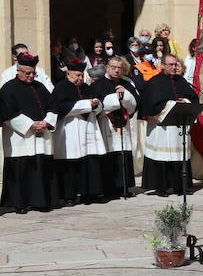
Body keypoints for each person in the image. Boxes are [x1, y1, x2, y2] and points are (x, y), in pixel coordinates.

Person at [0, 54, 57, 212]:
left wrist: (46, 122)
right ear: (18, 71)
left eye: (33, 73)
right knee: (21, 170)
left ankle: (42, 201)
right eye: (27, 73)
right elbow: (6, 112)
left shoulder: (40, 87)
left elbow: (53, 106)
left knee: (40, 166)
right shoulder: (8, 88)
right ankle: (19, 204)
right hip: (19, 137)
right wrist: (30, 125)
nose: (31, 76)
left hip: (42, 134)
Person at [50, 60, 108, 205]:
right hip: (69, 129)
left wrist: (96, 105)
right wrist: (87, 105)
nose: (80, 79)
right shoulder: (61, 88)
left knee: (89, 160)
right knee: (71, 162)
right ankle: (69, 195)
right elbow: (61, 107)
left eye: (82, 76)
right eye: (77, 76)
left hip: (88, 128)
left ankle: (90, 193)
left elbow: (99, 105)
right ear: (68, 74)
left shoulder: (87, 87)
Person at [141, 53, 197, 196]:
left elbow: (192, 97)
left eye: (175, 64)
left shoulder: (182, 81)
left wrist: (184, 102)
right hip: (162, 128)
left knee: (180, 156)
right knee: (162, 156)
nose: (174, 67)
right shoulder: (154, 82)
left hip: (178, 127)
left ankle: (181, 187)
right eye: (170, 65)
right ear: (163, 66)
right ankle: (161, 187)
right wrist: (171, 104)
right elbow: (151, 104)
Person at [90, 55, 139, 197]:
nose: (117, 70)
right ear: (107, 68)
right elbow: (95, 106)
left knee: (123, 153)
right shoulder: (97, 84)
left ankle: (124, 187)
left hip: (124, 125)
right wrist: (114, 99)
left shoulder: (127, 83)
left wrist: (126, 95)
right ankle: (109, 188)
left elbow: (136, 103)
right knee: (110, 155)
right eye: (114, 67)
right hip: (106, 124)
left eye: (120, 68)